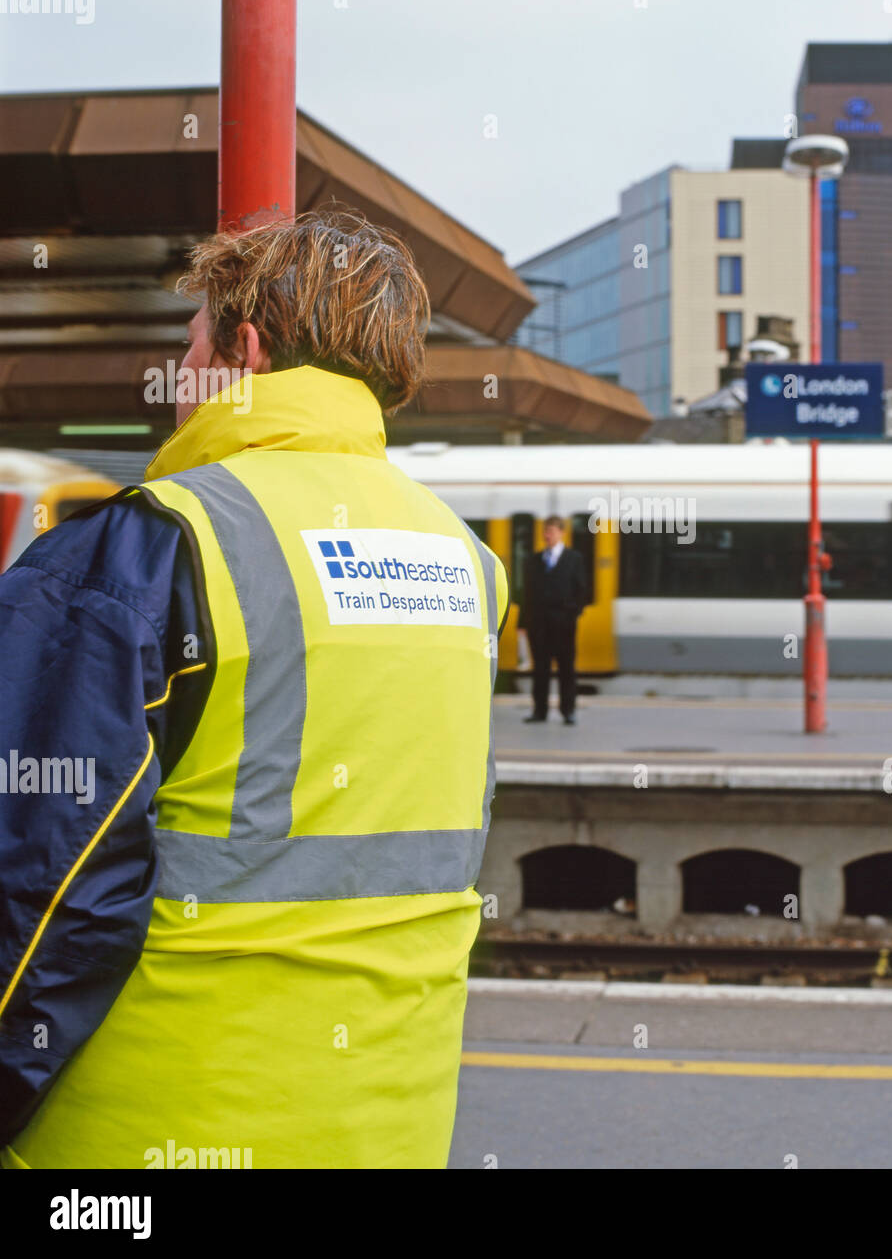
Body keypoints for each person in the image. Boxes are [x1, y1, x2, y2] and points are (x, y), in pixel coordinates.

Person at [0, 210, 507, 1168]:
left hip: (151, 1122)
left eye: (190, 342)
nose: (178, 376)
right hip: (387, 1120)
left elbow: (42, 884)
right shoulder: (464, 559)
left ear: (246, 346)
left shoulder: (147, 546)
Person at [521, 514, 587, 725]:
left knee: (566, 668)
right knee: (540, 669)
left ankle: (568, 710)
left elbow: (582, 590)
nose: (545, 535)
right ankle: (539, 711)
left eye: (550, 531)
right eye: (544, 531)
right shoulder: (533, 560)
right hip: (538, 625)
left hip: (564, 625)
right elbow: (526, 594)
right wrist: (523, 623)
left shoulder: (574, 559)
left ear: (561, 532)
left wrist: (572, 614)